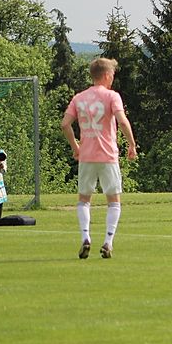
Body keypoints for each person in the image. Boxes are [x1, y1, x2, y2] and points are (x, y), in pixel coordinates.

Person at [61, 57, 137, 259]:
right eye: (112, 75)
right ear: (106, 75)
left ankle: (85, 237)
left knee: (84, 200)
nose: (112, 78)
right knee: (113, 201)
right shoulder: (112, 96)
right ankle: (108, 241)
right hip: (108, 155)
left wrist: (76, 147)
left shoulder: (79, 98)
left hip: (86, 155)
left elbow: (65, 124)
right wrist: (131, 144)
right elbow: (122, 121)